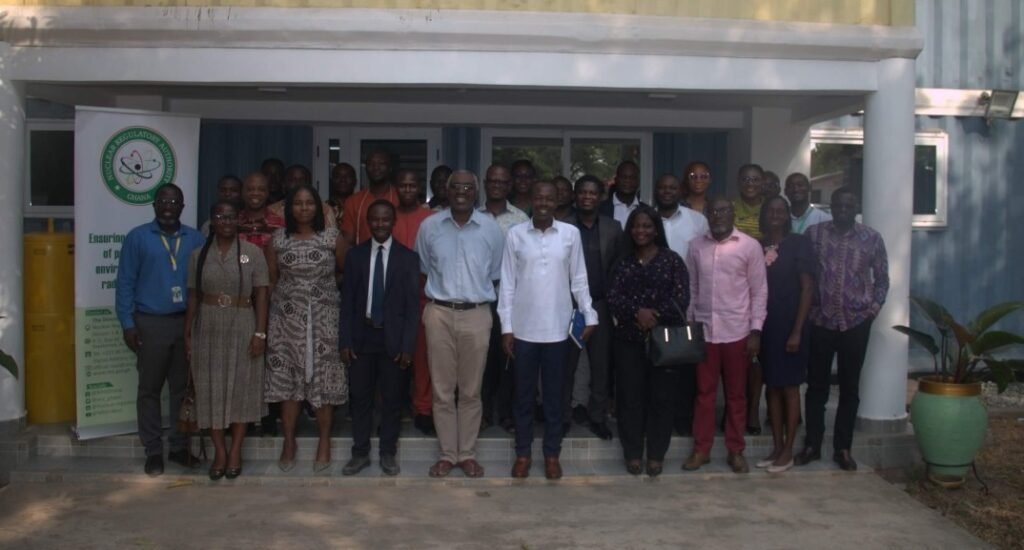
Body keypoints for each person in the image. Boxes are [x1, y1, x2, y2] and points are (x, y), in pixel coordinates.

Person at [500, 181, 597, 480]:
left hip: (558, 331)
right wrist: (507, 327)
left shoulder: (570, 235)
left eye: (549, 198)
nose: (543, 202)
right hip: (524, 331)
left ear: (557, 202)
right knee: (524, 398)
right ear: (531, 200)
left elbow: (579, 279)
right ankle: (523, 454)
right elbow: (507, 284)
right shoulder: (516, 235)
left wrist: (589, 315)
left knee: (556, 398)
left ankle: (552, 454)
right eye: (538, 197)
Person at [415, 170, 505, 478]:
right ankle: (446, 454)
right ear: (446, 191)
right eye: (456, 187)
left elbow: (494, 273)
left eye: (469, 187)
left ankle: (466, 454)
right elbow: (425, 266)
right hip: (438, 312)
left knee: (470, 390)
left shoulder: (491, 230)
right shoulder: (429, 227)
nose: (462, 192)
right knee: (442, 389)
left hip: (477, 314)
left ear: (476, 193)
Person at [115, 183, 206, 476]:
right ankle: (153, 451)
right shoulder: (138, 238)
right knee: (150, 390)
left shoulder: (195, 238)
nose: (168, 206)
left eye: (174, 201)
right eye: (163, 201)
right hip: (151, 322)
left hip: (186, 322)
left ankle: (179, 447)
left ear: (182, 206)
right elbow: (125, 283)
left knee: (182, 389)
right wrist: (128, 324)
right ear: (154, 206)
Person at [797, 187, 889, 472]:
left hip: (855, 324)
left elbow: (882, 280)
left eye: (849, 205)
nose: (843, 210)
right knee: (816, 388)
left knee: (850, 388)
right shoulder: (815, 235)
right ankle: (812, 444)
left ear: (856, 206)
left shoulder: (871, 238)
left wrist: (872, 311)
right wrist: (811, 310)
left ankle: (843, 448)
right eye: (838, 205)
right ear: (831, 206)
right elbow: (805, 275)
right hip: (822, 322)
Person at [265, 184, 350, 473]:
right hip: (287, 322)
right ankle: (289, 441)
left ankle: (324, 441)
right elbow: (272, 281)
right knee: (289, 382)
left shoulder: (331, 238)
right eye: (298, 203)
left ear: (319, 208)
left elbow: (343, 272)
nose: (304, 208)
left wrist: (320, 294)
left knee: (323, 381)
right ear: (289, 209)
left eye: (309, 203)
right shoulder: (277, 240)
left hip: (324, 320)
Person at [184, 200, 270, 480]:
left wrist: (260, 332)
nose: (225, 221)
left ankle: (235, 451)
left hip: (242, 322)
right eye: (220, 216)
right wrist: (187, 332)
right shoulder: (199, 254)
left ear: (239, 220)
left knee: (241, 389)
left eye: (231, 216)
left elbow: (262, 295)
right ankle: (219, 451)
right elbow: (194, 296)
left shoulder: (251, 253)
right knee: (211, 390)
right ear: (211, 220)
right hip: (207, 326)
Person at [684, 197, 767, 474]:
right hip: (705, 332)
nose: (718, 215)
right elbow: (692, 288)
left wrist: (756, 330)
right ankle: (702, 449)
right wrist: (690, 323)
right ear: (706, 214)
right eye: (714, 211)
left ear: (733, 213)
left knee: (736, 395)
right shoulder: (696, 246)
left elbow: (759, 292)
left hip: (738, 332)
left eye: (724, 210)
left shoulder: (749, 246)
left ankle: (735, 450)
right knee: (703, 394)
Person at [607, 205, 690, 477]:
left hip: (663, 342)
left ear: (656, 229)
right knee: (630, 399)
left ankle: (656, 454)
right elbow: (614, 298)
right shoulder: (622, 262)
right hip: (628, 341)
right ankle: (632, 454)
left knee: (661, 399)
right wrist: (636, 313)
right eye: (636, 226)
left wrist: (653, 315)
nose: (641, 231)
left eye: (647, 226)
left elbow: (681, 299)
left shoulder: (672, 260)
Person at [339, 200, 420, 477]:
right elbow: (347, 302)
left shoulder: (408, 258)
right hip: (362, 338)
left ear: (393, 221)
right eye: (375, 219)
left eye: (386, 219)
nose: (380, 224)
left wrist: (408, 345)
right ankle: (359, 453)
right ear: (368, 222)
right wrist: (345, 341)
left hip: (394, 340)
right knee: (360, 398)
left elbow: (412, 308)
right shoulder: (355, 256)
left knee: (392, 399)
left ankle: (388, 452)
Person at [754, 196, 815, 473]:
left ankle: (789, 450)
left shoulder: (799, 244)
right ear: (764, 215)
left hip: (791, 325)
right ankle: (777, 447)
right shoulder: (756, 245)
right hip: (766, 326)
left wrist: (797, 331)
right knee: (772, 387)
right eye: (771, 210)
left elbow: (807, 289)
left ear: (787, 215)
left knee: (790, 388)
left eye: (781, 210)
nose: (775, 214)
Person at [562, 175, 623, 441]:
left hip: (600, 305)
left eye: (592, 193)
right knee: (566, 365)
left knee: (601, 365)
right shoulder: (561, 226)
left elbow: (619, 267)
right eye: (582, 192)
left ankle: (597, 417)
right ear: (575, 196)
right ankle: (562, 416)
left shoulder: (613, 227)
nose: (587, 197)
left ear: (600, 197)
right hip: (569, 307)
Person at [653, 173, 709, 437]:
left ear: (680, 191)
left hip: (684, 302)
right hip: (650, 304)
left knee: (684, 363)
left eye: (672, 187)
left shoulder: (697, 221)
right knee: (655, 363)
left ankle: (682, 417)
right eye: (662, 187)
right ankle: (654, 416)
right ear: (655, 191)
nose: (666, 191)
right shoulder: (647, 219)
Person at [479, 164, 529, 433]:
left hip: (512, 299)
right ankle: (484, 412)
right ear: (486, 184)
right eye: (493, 180)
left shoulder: (521, 219)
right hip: (481, 297)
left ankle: (507, 412)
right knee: (483, 359)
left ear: (509, 185)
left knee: (509, 357)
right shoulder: (473, 217)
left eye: (503, 181)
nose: (497, 185)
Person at [391, 169, 437, 436]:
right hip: (391, 296)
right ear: (396, 188)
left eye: (412, 185)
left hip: (423, 294)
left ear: (418, 188)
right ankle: (392, 408)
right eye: (403, 185)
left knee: (422, 357)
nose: (407, 190)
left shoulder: (431, 219)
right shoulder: (387, 215)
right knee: (393, 356)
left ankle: (423, 408)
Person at [342, 150, 399, 245]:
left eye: (381, 164)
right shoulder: (353, 201)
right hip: (363, 258)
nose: (376, 167)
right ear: (366, 168)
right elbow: (348, 241)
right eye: (371, 164)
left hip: (397, 257)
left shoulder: (401, 198)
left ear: (390, 168)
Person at [268, 164, 335, 226]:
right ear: (284, 184)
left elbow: (332, 236)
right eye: (292, 180)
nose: (298, 183)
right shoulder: (272, 210)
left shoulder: (325, 210)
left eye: (302, 180)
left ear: (309, 183)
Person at [237, 172, 284, 252]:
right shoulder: (234, 222)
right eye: (250, 189)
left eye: (261, 190)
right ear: (242, 192)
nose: (255, 193)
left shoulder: (280, 224)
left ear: (267, 193)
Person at [600, 160, 644, 227]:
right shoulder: (600, 209)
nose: (627, 181)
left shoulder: (646, 210)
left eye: (632, 178)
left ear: (638, 181)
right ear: (616, 180)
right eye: (624, 177)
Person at [732, 164, 765, 239]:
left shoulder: (770, 208)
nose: (750, 184)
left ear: (763, 182)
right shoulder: (729, 208)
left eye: (755, 179)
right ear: (738, 182)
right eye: (745, 179)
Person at [326, 162, 358, 230]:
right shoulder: (324, 208)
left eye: (348, 176)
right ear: (333, 181)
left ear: (355, 181)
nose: (343, 180)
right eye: (338, 176)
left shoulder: (361, 206)